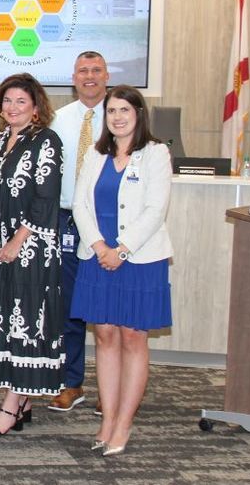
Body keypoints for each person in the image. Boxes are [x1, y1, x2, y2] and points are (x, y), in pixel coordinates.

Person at [70, 84, 173, 456]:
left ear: (139, 115)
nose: (117, 117)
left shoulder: (156, 153)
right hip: (97, 257)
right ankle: (107, 420)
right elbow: (80, 205)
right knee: (105, 338)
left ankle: (124, 423)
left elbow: (155, 210)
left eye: (124, 111)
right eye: (111, 111)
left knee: (132, 337)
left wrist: (122, 250)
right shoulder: (95, 155)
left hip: (139, 259)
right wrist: (100, 247)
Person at [0, 72, 64, 436]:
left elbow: (46, 200)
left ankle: (10, 408)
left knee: (26, 324)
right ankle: (23, 399)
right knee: (6, 324)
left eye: (21, 101)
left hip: (32, 252)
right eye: (7, 101)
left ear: (37, 107)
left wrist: (15, 243)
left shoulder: (47, 141)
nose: (12, 107)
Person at [48, 51, 110, 414]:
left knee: (107, 310)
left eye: (96, 70)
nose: (89, 76)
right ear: (73, 77)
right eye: (83, 71)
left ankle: (110, 388)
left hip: (106, 223)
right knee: (69, 308)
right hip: (65, 220)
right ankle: (72, 383)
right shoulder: (58, 119)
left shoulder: (121, 115)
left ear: (106, 76)